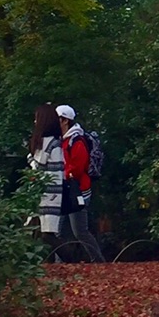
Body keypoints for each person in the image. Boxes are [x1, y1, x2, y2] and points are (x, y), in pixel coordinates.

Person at [55, 103, 104, 263]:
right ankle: (60, 263)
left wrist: (61, 171)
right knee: (57, 231)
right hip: (66, 190)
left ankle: (98, 261)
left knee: (80, 231)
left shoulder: (76, 141)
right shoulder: (63, 140)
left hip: (78, 191)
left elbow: (78, 168)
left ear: (64, 121)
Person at [27, 102, 65, 244]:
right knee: (43, 232)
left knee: (47, 234)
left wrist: (30, 157)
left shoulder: (49, 143)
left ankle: (72, 259)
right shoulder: (55, 142)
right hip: (48, 192)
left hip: (49, 193)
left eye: (37, 118)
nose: (35, 121)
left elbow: (39, 165)